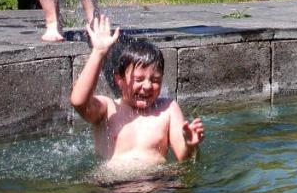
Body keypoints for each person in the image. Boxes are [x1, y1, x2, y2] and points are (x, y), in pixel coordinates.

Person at [70, 15, 204, 171]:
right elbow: (78, 102)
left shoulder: (168, 109)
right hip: (111, 189)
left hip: (155, 186)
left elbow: (184, 158)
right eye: (139, 80)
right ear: (119, 80)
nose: (147, 86)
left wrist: (190, 145)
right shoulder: (108, 109)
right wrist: (98, 53)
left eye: (155, 80)